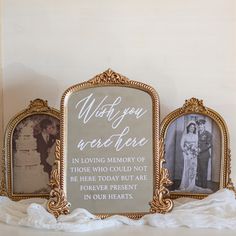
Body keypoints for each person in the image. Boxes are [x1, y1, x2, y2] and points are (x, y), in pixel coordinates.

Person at [179, 121, 199, 191]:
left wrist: (195, 151)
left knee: (193, 169)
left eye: (193, 127)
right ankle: (185, 184)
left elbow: (196, 145)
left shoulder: (196, 136)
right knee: (186, 169)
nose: (192, 129)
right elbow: (181, 145)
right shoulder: (185, 136)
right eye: (191, 127)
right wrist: (186, 151)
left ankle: (192, 185)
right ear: (188, 128)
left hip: (194, 155)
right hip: (187, 154)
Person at [196, 119, 212, 188]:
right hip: (196, 154)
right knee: (198, 170)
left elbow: (209, 145)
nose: (200, 126)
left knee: (203, 170)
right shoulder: (196, 133)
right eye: (199, 125)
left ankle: (204, 185)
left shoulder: (208, 134)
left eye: (201, 125)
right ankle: (199, 185)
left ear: (204, 125)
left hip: (204, 155)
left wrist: (200, 149)